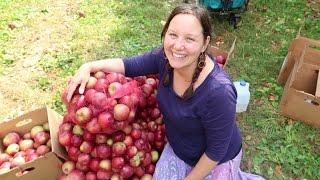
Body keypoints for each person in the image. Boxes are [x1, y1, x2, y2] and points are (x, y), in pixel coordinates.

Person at [66, 3, 265, 180]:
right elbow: (129, 65)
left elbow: (216, 151)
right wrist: (89, 66)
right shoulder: (164, 59)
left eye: (190, 39)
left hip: (216, 159)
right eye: (172, 35)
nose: (178, 46)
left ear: (205, 43)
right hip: (179, 149)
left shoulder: (218, 92)